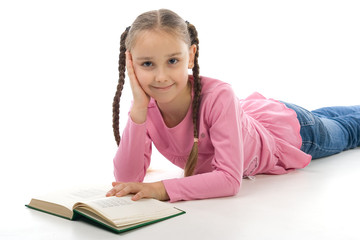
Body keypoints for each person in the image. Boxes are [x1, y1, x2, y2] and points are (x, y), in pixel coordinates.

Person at [106, 9, 360, 202]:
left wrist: (160, 189)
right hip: (257, 119)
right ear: (131, 64)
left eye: (173, 60)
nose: (161, 76)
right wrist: (138, 110)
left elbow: (229, 180)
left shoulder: (219, 95)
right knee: (331, 118)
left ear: (191, 56)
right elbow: (127, 180)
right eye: (147, 64)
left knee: (349, 130)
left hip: (293, 134)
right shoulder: (145, 108)